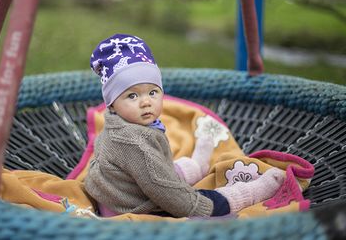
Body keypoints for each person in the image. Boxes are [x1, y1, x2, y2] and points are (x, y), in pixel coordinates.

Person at [84, 34, 285, 218]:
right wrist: (204, 206)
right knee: (197, 198)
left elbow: (152, 170)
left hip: (123, 192)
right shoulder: (134, 142)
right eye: (132, 95)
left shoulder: (118, 124)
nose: (145, 102)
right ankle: (248, 192)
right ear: (112, 103)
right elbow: (168, 193)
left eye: (153, 92)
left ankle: (197, 165)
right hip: (133, 208)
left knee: (163, 172)